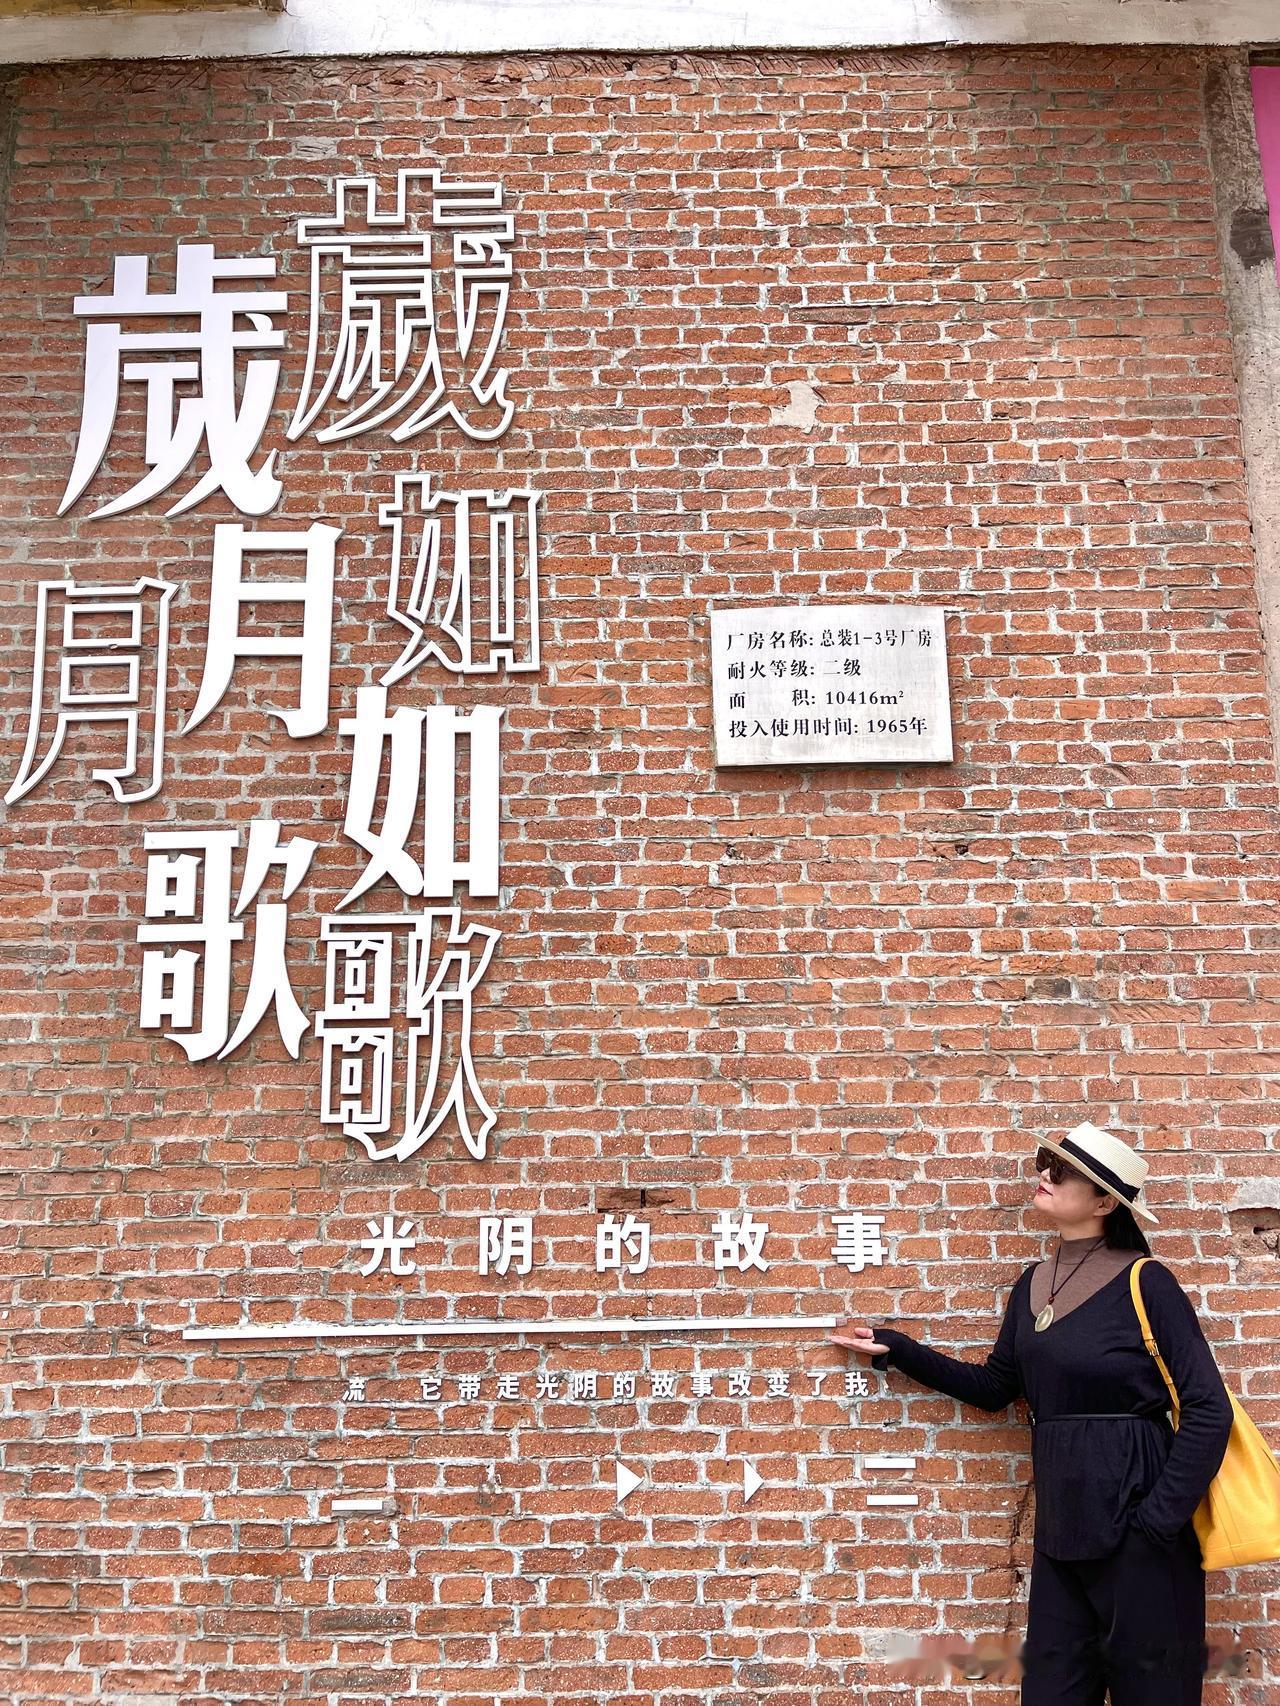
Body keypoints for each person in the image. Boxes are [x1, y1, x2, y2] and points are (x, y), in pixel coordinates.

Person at [829, 1121, 1234, 1705]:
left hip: (1142, 1538)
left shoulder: (1147, 1282)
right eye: (1047, 1162)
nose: (1045, 1174)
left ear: (1104, 1202)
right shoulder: (1032, 1285)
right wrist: (900, 1349)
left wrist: (1155, 1523)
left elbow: (1208, 1408)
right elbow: (997, 1387)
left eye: (1063, 1171)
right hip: (1062, 1533)